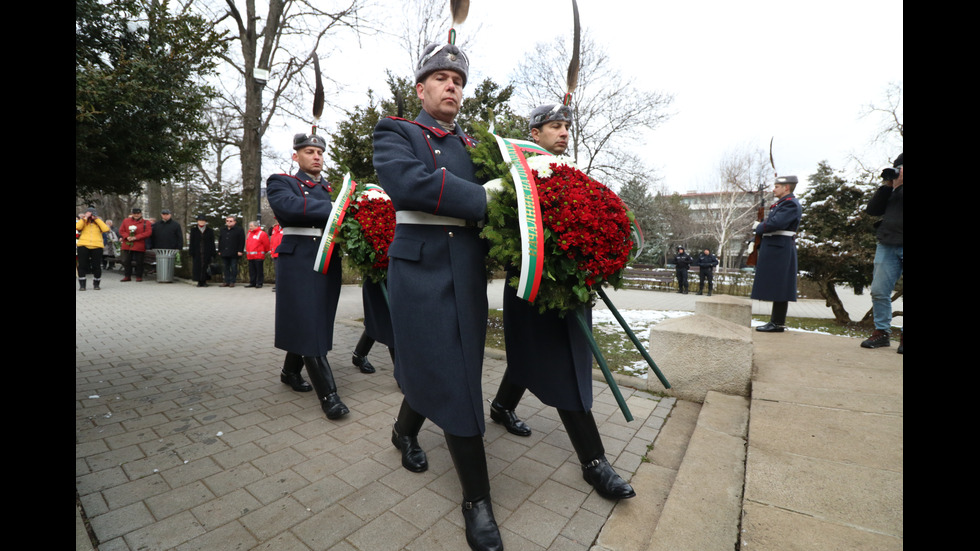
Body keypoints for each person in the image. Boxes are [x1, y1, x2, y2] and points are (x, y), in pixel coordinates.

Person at [373, 42, 503, 551]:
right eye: (442, 78)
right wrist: (482, 197)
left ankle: (405, 430)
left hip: (466, 267)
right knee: (451, 372)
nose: (452, 86)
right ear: (422, 88)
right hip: (421, 268)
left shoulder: (473, 145)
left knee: (455, 366)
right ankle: (477, 499)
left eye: (459, 80)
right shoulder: (396, 132)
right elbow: (408, 185)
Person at [487, 102, 636, 503]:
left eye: (566, 126)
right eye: (555, 126)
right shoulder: (511, 177)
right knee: (563, 366)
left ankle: (501, 407)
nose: (564, 132)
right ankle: (594, 463)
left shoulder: (575, 178)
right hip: (533, 286)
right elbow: (499, 228)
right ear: (533, 134)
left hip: (569, 288)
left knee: (535, 355)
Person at [266, 132, 350, 419]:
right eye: (309, 151)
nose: (316, 156)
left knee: (317, 319)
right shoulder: (282, 182)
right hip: (299, 259)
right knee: (311, 321)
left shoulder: (332, 188)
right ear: (296, 156)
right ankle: (329, 395)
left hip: (328, 258)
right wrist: (334, 209)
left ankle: (290, 371)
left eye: (319, 152)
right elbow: (288, 207)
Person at [861, 153, 903, 353]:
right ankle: (882, 333)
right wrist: (889, 186)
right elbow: (872, 210)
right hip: (887, 243)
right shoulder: (891, 190)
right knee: (878, 290)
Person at [751, 176, 802, 332]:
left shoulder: (790, 204)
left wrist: (759, 227)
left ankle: (777, 323)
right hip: (776, 247)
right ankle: (776, 322)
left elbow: (776, 224)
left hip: (780, 248)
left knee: (781, 286)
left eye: (777, 186)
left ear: (786, 187)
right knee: (779, 285)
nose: (774, 189)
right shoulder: (782, 204)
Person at [76, 207, 110, 290]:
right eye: (89, 214)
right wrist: (85, 218)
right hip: (83, 245)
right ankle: (82, 285)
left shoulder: (98, 222)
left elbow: (106, 229)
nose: (91, 216)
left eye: (92, 214)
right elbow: (77, 227)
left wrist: (97, 219)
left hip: (97, 245)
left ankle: (96, 284)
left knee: (96, 265)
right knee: (82, 265)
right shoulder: (83, 221)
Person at [119, 208, 152, 282]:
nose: (136, 215)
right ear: (132, 214)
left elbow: (148, 232)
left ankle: (139, 276)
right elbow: (121, 230)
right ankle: (127, 276)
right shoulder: (126, 221)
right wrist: (127, 237)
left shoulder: (146, 222)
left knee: (139, 261)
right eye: (134, 214)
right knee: (126, 261)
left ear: (141, 214)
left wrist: (136, 237)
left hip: (139, 244)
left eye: (138, 214)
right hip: (127, 244)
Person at [217, 215, 245, 287]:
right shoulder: (223, 229)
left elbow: (242, 241)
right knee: (225, 267)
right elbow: (220, 240)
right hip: (224, 252)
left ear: (234, 222)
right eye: (227, 221)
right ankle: (226, 281)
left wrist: (240, 250)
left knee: (233, 267)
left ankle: (232, 281)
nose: (228, 222)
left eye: (230, 221)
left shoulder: (239, 230)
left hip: (234, 252)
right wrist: (219, 250)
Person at [188, 215, 216, 287]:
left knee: (205, 266)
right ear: (197, 221)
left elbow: (212, 242)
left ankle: (204, 281)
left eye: (203, 221)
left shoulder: (209, 231)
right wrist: (191, 251)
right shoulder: (194, 230)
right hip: (197, 251)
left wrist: (213, 252)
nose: (201, 222)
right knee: (197, 267)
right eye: (200, 220)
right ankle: (199, 281)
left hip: (207, 251)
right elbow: (191, 242)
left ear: (205, 222)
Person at [244, 221, 270, 288]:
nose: (250, 227)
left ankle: (259, 283)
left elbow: (266, 244)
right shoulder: (249, 233)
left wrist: (264, 251)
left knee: (259, 271)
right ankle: (252, 282)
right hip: (250, 255)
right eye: (250, 226)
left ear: (256, 226)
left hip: (258, 255)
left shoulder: (262, 233)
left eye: (251, 226)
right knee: (252, 271)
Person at [269, 220, 282, 292]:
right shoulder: (275, 228)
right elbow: (272, 241)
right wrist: (272, 252)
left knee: (282, 271)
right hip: (275, 253)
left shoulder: (285, 228)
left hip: (282, 253)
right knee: (277, 271)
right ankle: (278, 285)